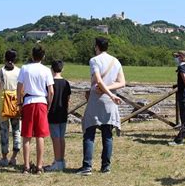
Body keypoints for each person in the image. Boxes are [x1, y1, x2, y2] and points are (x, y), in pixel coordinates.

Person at [76, 37, 126, 176]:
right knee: (107, 134)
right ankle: (106, 166)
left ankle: (87, 166)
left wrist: (106, 91)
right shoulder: (115, 61)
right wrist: (110, 91)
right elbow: (122, 82)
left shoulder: (94, 60)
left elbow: (98, 80)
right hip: (110, 102)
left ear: (96, 46)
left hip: (98, 99)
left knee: (89, 132)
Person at [16, 46, 54, 174]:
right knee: (40, 135)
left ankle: (26, 166)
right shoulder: (46, 70)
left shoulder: (25, 68)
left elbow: (19, 87)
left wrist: (19, 102)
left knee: (26, 135)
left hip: (28, 102)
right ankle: (39, 166)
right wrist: (48, 104)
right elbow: (51, 91)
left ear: (32, 56)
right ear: (43, 56)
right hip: (41, 102)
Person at [0, 49, 21, 167]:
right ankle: (14, 157)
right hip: (16, 103)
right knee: (17, 130)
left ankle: (4, 157)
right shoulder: (20, 71)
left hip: (3, 102)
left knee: (4, 131)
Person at [44, 60, 72, 172]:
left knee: (55, 137)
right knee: (61, 137)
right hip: (63, 112)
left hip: (53, 113)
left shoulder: (50, 83)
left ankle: (57, 161)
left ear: (51, 69)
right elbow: (68, 98)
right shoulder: (66, 83)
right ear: (62, 69)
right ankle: (61, 159)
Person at [173, 50, 185, 138]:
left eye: (177, 56)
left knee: (184, 114)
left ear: (182, 57)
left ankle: (184, 133)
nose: (176, 58)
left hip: (184, 93)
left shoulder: (181, 68)